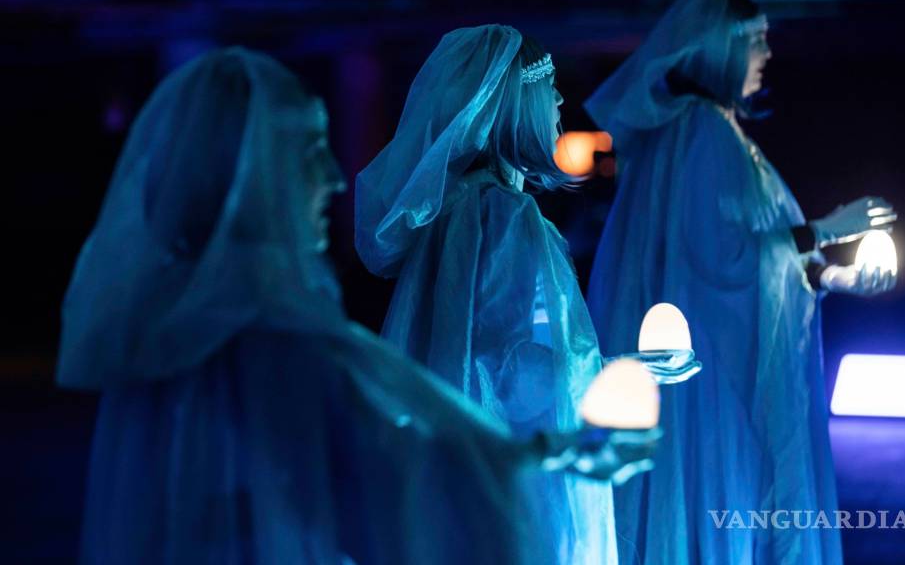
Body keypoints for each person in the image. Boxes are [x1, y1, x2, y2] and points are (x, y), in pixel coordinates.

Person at [57, 47, 626, 565]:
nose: (333, 179)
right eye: (307, 154)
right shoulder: (272, 332)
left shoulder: (163, 326)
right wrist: (561, 451)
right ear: (248, 181)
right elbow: (395, 481)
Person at [584, 0, 896, 565]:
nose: (767, 54)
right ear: (717, 50)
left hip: (725, 370)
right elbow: (720, 257)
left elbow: (753, 254)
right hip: (719, 379)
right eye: (754, 40)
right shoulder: (701, 131)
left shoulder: (715, 131)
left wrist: (833, 278)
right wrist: (826, 229)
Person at [355, 25, 618, 564]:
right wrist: (614, 374)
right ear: (514, 104)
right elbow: (507, 367)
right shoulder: (502, 214)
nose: (560, 100)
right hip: (511, 474)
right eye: (548, 85)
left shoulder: (455, 210)